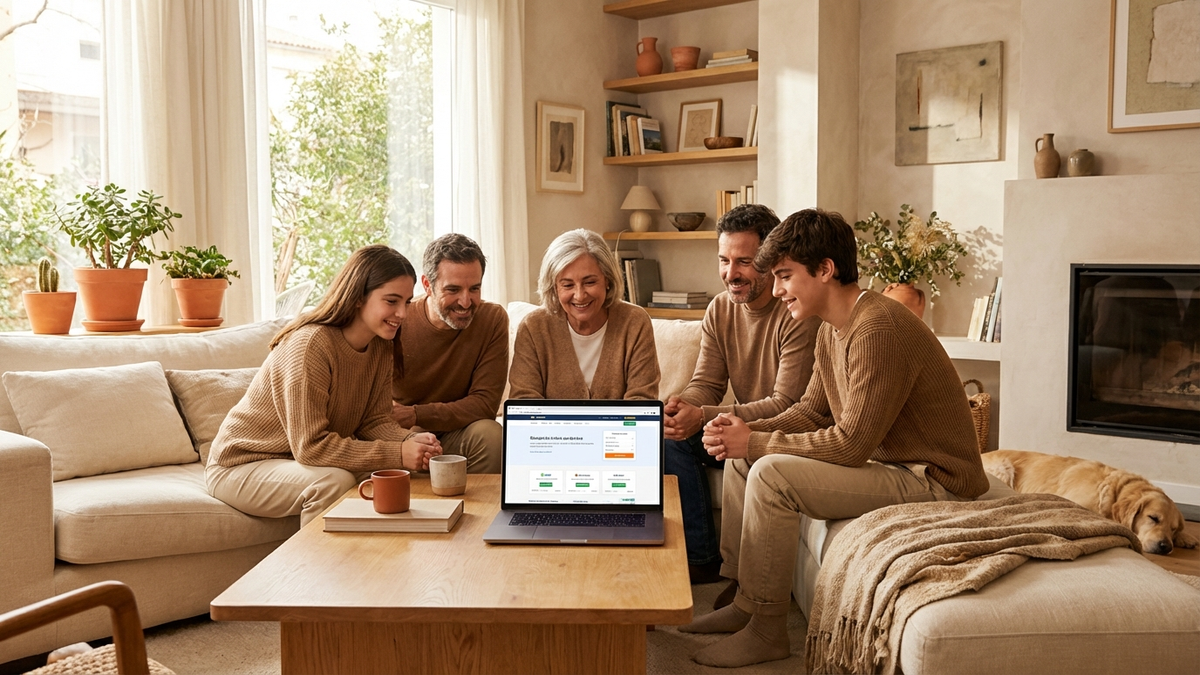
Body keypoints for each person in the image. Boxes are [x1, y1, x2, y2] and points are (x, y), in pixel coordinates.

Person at [682, 209, 990, 668]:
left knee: (768, 473)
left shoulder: (877, 327)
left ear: (825, 269)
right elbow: (809, 411)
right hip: (896, 466)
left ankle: (767, 632)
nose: (779, 288)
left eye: (785, 276)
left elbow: (850, 445)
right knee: (743, 459)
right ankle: (748, 604)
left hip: (934, 479)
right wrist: (745, 433)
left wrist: (759, 443)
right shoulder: (833, 327)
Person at [206, 245, 442, 527]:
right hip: (241, 465)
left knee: (401, 472)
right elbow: (311, 447)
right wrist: (397, 454)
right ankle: (314, 571)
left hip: (295, 461)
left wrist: (411, 442)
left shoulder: (381, 346)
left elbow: (374, 421)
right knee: (334, 482)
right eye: (392, 301)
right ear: (358, 297)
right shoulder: (310, 345)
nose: (402, 313)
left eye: (407, 302)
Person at [663, 204, 820, 584]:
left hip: (784, 432)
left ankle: (738, 580)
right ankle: (701, 559)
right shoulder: (720, 309)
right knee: (668, 435)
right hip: (739, 426)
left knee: (719, 441)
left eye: (744, 262)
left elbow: (787, 404)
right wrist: (684, 407)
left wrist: (705, 416)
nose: (730, 274)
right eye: (723, 260)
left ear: (769, 260)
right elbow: (707, 382)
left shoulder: (797, 312)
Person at [391, 234, 506, 473]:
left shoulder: (492, 319)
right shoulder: (397, 320)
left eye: (474, 288)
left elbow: (484, 405)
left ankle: (482, 510)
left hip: (456, 432)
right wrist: (409, 429)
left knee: (491, 434)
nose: (465, 302)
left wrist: (416, 414)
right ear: (427, 285)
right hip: (401, 435)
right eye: (453, 289)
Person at [508, 228, 660, 399]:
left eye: (590, 282)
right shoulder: (533, 327)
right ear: (554, 287)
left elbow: (642, 401)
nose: (580, 295)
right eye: (567, 285)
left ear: (607, 280)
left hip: (618, 427)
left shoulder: (634, 322)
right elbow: (524, 402)